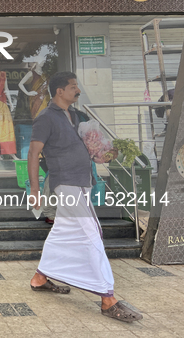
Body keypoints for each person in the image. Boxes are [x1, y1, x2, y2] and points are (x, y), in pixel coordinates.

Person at [28, 72, 143, 323]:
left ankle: (40, 277)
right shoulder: (45, 118)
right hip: (67, 184)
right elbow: (33, 154)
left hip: (83, 182)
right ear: (60, 91)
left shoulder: (78, 116)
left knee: (63, 231)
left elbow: (94, 152)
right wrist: (35, 190)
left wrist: (111, 152)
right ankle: (107, 298)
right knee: (93, 232)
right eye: (73, 87)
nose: (77, 91)